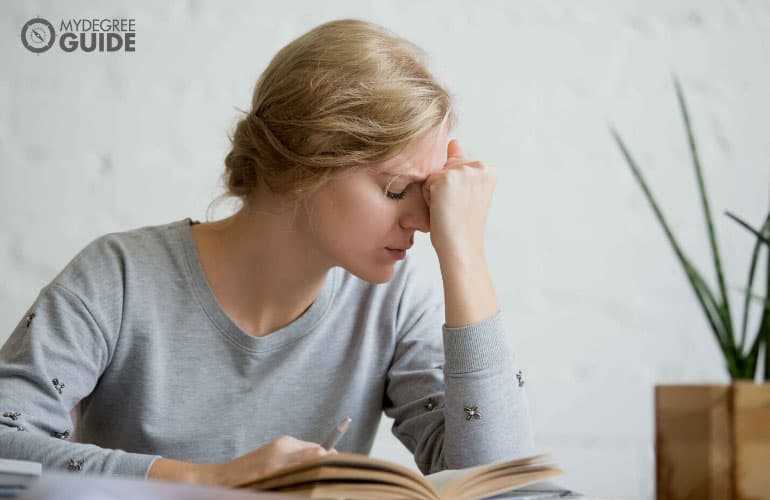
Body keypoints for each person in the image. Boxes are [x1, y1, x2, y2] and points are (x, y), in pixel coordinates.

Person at [0, 19, 535, 487]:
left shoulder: (394, 301)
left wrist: (464, 252)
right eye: (397, 190)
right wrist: (210, 482)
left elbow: (495, 485)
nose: (420, 220)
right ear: (306, 164)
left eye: (428, 194)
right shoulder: (118, 278)